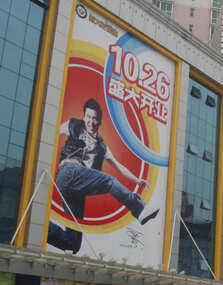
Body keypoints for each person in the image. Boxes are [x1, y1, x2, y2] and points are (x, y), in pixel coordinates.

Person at [47, 98, 159, 254]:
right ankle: (139, 208)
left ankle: (42, 226)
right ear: (84, 116)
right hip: (69, 171)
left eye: (94, 118)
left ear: (99, 121)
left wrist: (137, 180)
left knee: (73, 242)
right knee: (107, 181)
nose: (90, 122)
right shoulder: (73, 125)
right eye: (88, 117)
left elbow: (119, 166)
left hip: (76, 188)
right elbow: (53, 130)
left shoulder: (101, 146)